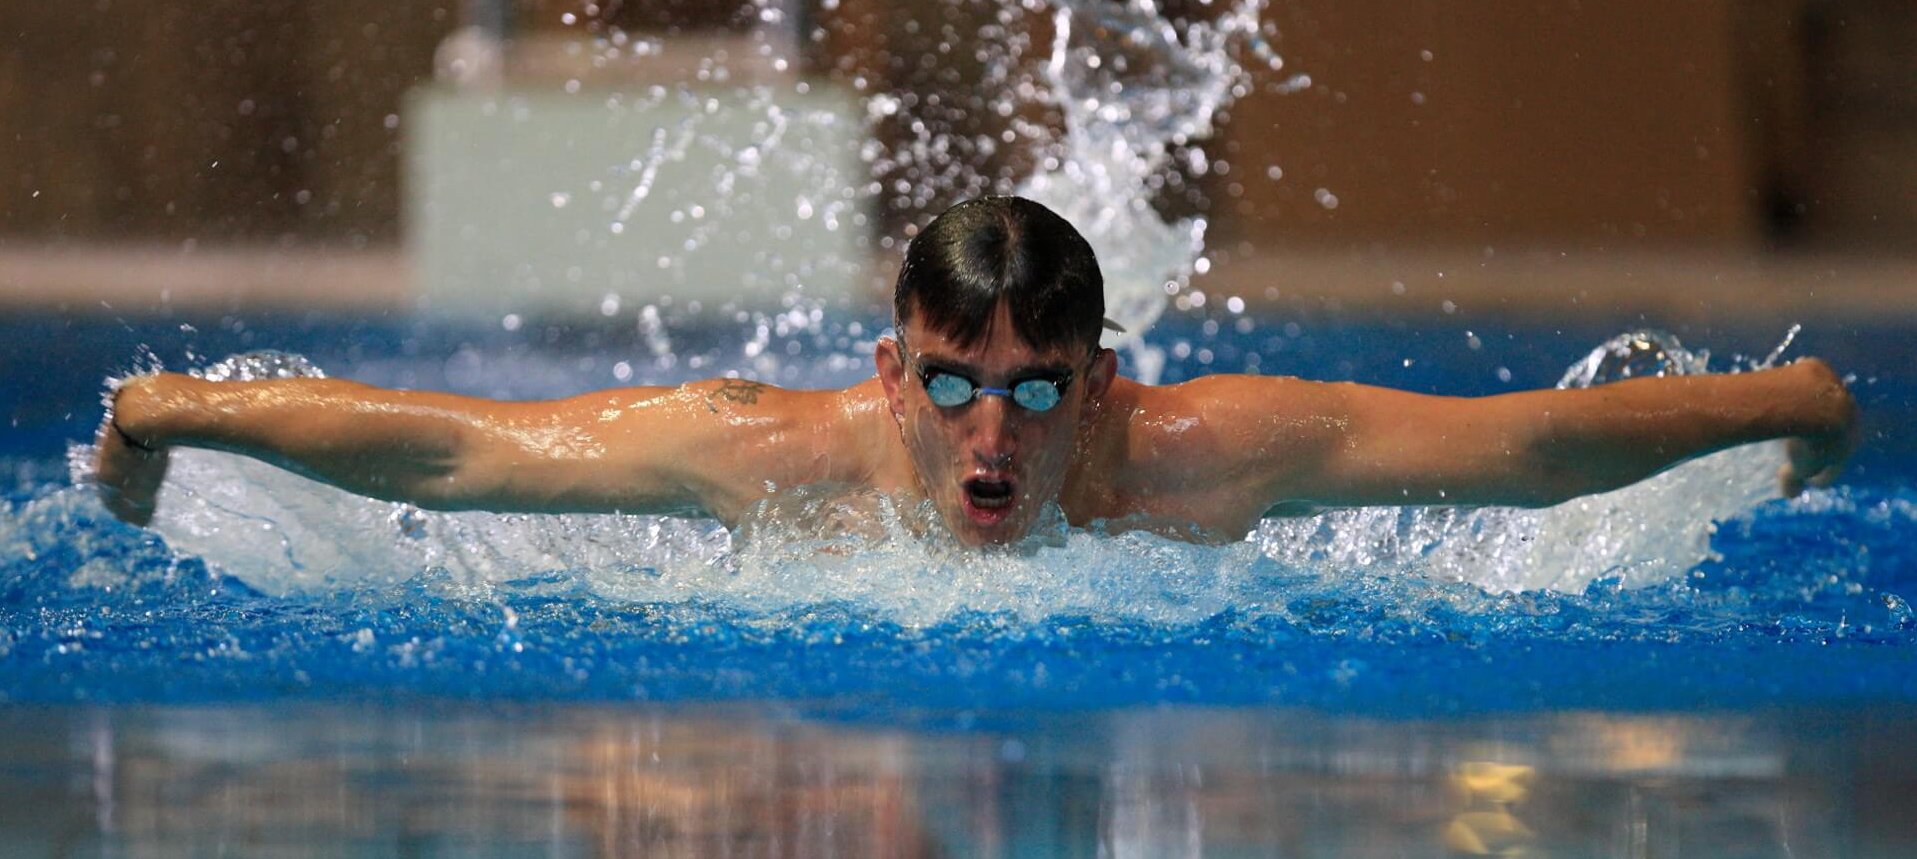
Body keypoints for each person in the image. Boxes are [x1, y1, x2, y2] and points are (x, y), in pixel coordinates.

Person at [94, 196, 1858, 547]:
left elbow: (1521, 451)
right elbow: (461, 454)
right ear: (892, 374)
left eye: (1034, 389)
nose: (987, 432)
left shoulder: (1201, 456)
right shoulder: (770, 450)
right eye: (952, 386)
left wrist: (1791, 408)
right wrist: (178, 412)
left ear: (1102, 382)